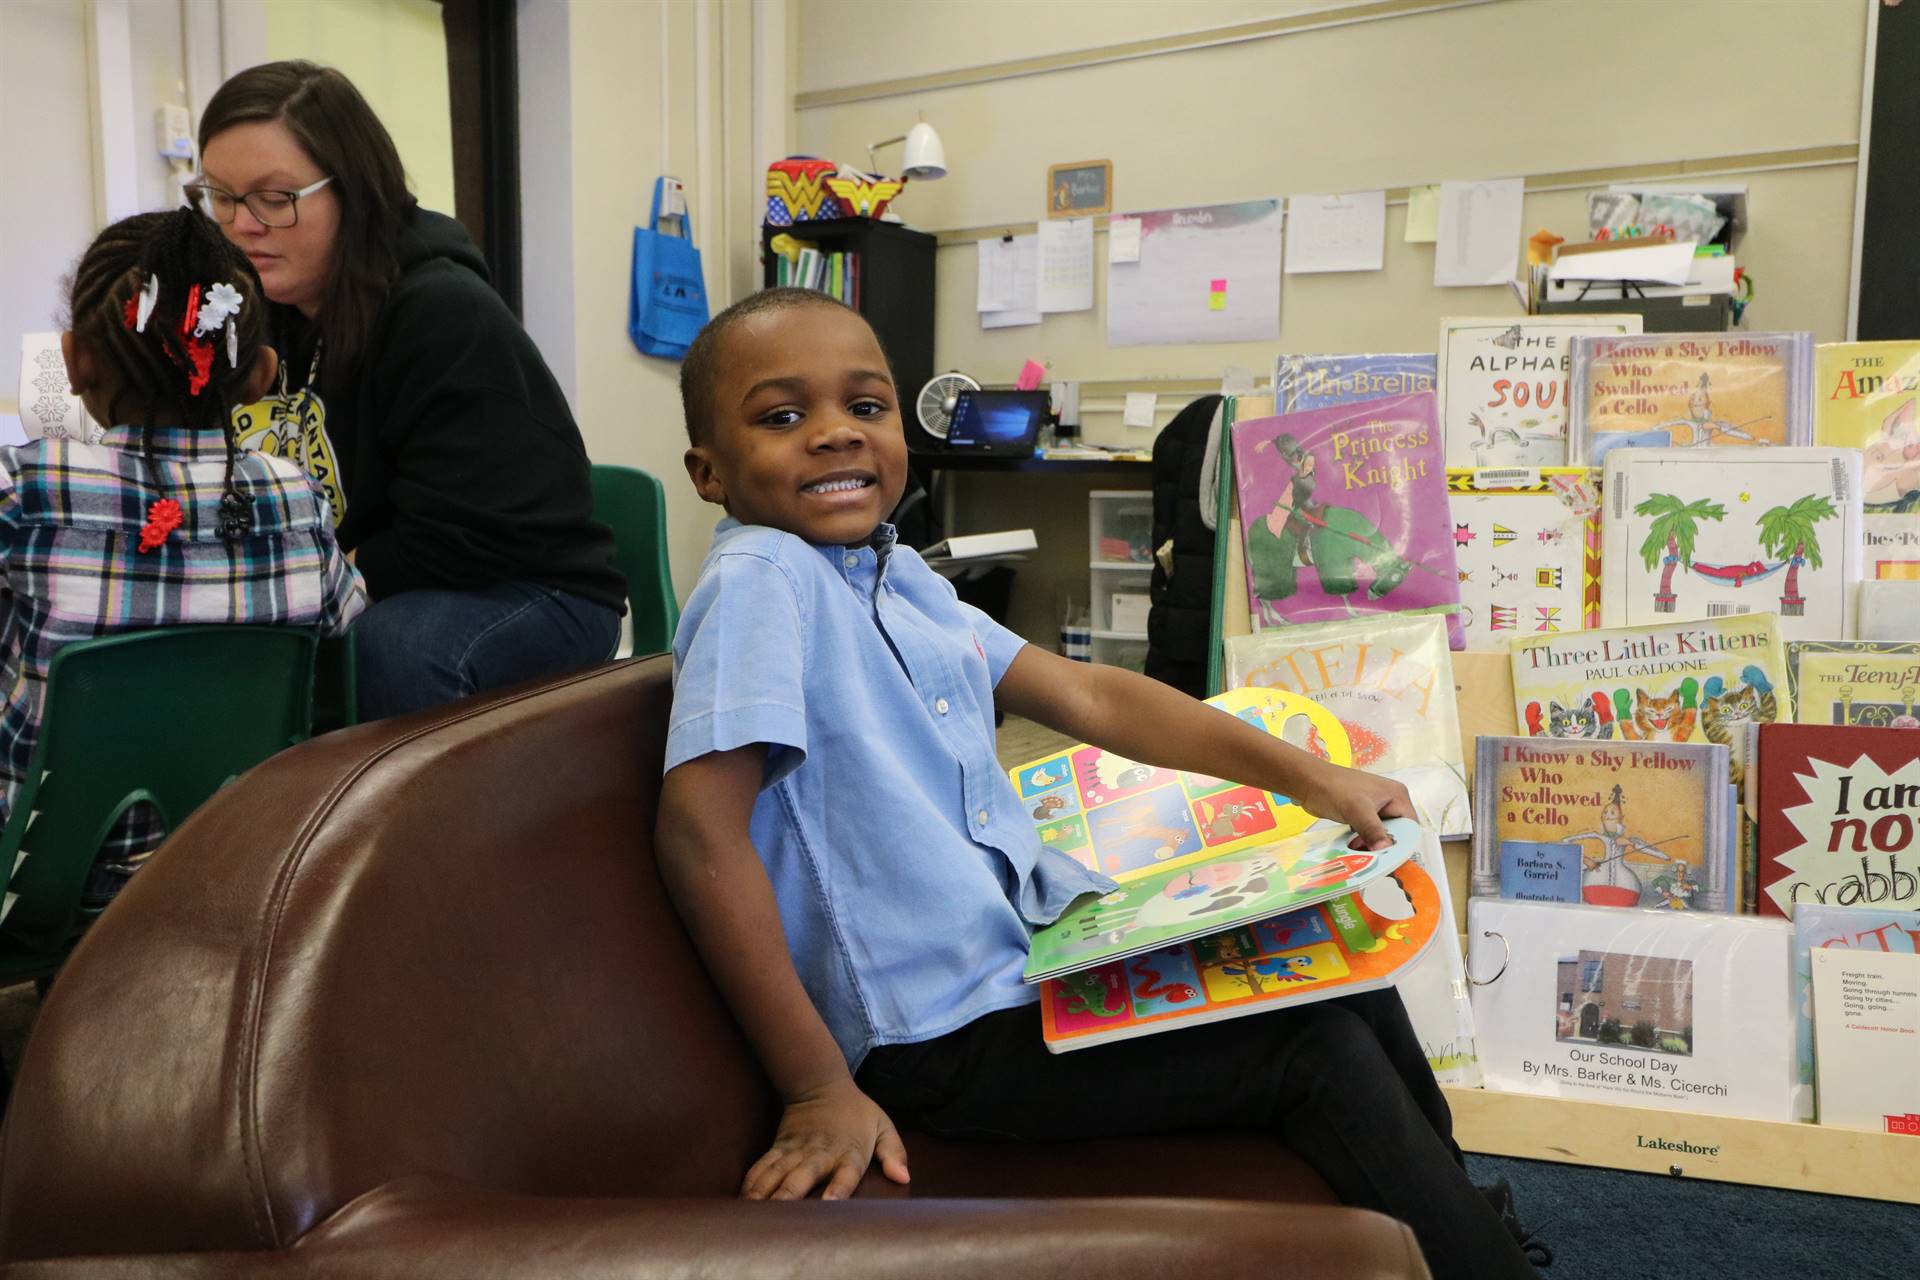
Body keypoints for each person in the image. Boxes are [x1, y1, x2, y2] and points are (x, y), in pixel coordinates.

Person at [654, 288, 1543, 1280]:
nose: (834, 435)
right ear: (709, 470)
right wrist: (816, 1085)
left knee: (1335, 967)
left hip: (1020, 967)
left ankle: (1458, 1217)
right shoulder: (760, 582)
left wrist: (1317, 777)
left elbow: (1091, 695)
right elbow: (699, 831)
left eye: (865, 407)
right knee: (1313, 1050)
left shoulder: (895, 579)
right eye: (783, 416)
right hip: (934, 1040)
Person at [192, 61, 624, 721]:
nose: (242, 224)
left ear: (354, 191)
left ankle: (412, 829)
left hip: (527, 585)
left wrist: (303, 588)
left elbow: (459, 536)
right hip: (380, 572)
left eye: (274, 199)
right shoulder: (259, 310)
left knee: (392, 648)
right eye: (220, 196)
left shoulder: (441, 310)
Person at [10, 208, 365, 906]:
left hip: (40, 882)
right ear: (260, 374)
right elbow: (346, 622)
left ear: (75, 358)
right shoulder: (297, 498)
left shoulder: (33, 492)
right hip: (239, 864)